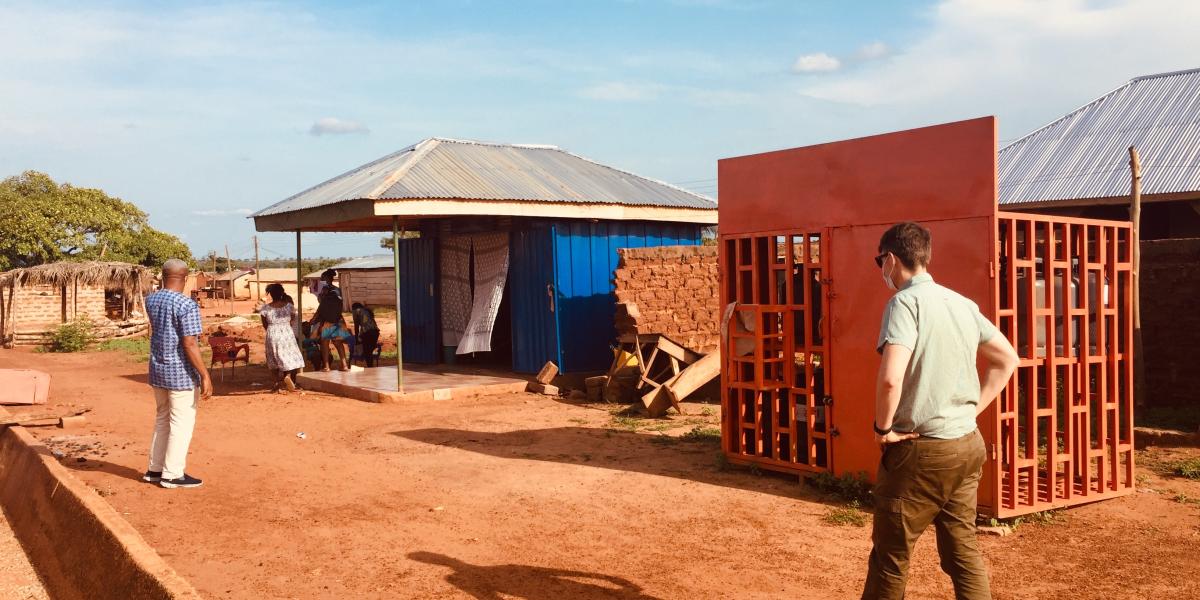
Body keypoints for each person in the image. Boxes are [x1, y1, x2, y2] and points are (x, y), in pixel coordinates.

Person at [863, 222, 1019, 600]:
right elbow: (1007, 358)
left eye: (879, 261)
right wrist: (972, 410)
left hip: (921, 450)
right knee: (962, 549)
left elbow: (890, 379)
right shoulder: (961, 303)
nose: (881, 269)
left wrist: (883, 428)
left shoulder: (904, 303)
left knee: (891, 557)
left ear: (891, 259)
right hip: (966, 444)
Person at [143, 258, 212, 490]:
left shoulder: (151, 299)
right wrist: (204, 374)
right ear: (184, 277)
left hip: (158, 369)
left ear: (163, 276)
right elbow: (190, 343)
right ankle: (172, 474)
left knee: (162, 419)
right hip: (180, 373)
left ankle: (154, 469)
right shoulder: (186, 304)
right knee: (180, 423)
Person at [260, 283, 306, 393]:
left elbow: (265, 324)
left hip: (272, 333)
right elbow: (292, 318)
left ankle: (276, 383)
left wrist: (273, 330)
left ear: (271, 294)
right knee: (289, 356)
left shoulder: (265, 308)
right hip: (286, 332)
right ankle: (288, 376)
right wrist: (284, 325)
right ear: (282, 293)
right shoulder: (289, 306)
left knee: (273, 358)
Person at [310, 269, 349, 371]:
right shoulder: (337, 290)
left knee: (325, 343)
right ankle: (344, 365)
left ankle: (326, 366)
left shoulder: (325, 291)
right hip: (338, 318)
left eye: (322, 278)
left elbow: (322, 306)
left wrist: (315, 318)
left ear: (326, 278)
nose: (321, 280)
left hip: (327, 319)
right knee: (338, 343)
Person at [351, 302, 380, 367]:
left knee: (367, 352)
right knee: (370, 351)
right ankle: (371, 367)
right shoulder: (366, 311)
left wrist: (356, 340)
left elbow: (356, 326)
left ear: (354, 308)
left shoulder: (356, 311)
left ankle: (370, 368)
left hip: (367, 333)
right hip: (375, 332)